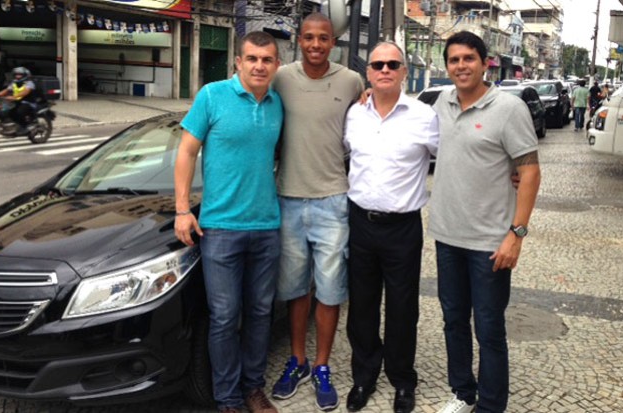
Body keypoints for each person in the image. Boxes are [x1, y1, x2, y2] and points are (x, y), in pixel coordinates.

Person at [429, 31, 541, 413]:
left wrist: (517, 234)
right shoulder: (442, 101)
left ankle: (491, 406)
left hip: (490, 242)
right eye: (454, 60)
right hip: (447, 235)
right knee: (453, 320)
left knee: (489, 329)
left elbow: (529, 172)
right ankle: (462, 392)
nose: (461, 66)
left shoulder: (508, 109)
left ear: (484, 62)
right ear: (447, 66)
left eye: (468, 59)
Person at [174, 31, 283, 413]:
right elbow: (186, 152)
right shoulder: (212, 96)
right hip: (219, 228)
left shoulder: (277, 103)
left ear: (276, 65)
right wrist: (182, 209)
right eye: (251, 58)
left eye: (266, 59)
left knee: (259, 313)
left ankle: (253, 388)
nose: (258, 65)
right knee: (224, 317)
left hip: (267, 226)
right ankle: (228, 400)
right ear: (237, 62)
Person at [270, 12, 364, 412]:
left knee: (329, 291)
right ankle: (298, 361)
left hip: (333, 201)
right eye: (308, 37)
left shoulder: (351, 81)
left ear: (333, 41)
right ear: (298, 39)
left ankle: (322, 366)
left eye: (322, 38)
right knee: (295, 290)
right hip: (287, 199)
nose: (315, 44)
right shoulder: (280, 78)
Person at [343, 41, 439, 413]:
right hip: (360, 223)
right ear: (368, 73)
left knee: (402, 307)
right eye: (378, 64)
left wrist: (509, 172)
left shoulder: (423, 116)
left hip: (403, 228)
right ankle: (364, 376)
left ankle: (402, 379)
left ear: (403, 72)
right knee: (362, 306)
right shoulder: (354, 115)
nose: (385, 70)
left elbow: (457, 157)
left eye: (392, 64)